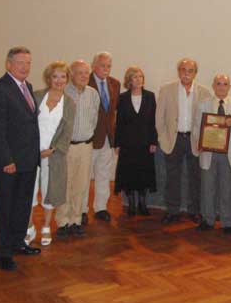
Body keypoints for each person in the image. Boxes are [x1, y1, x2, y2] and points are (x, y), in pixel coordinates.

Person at [0, 46, 41, 271]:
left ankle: (18, 243)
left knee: (22, 205)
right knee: (6, 207)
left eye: (28, 63)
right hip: (9, 163)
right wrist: (7, 160)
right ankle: (4, 253)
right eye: (20, 63)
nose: (25, 67)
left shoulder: (28, 87)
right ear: (8, 64)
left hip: (28, 160)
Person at [24, 61, 75, 246]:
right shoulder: (36, 96)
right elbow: (26, 125)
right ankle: (29, 226)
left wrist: (52, 150)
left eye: (63, 77)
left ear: (67, 79)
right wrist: (32, 149)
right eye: (55, 76)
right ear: (48, 78)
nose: (59, 80)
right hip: (31, 154)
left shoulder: (70, 103)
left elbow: (67, 133)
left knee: (49, 191)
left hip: (54, 156)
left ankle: (46, 226)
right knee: (29, 191)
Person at [156, 58, 212, 224]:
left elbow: (206, 121)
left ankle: (194, 211)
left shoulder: (204, 93)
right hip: (174, 139)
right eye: (183, 70)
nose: (186, 74)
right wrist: (163, 139)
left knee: (195, 177)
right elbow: (159, 119)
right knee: (172, 177)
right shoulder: (166, 90)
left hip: (194, 141)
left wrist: (203, 141)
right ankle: (172, 211)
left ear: (195, 73)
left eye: (190, 70)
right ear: (178, 71)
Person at [194, 74, 231, 234]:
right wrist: (200, 143)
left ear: (229, 86)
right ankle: (208, 220)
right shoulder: (203, 104)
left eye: (225, 84)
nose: (222, 87)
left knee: (227, 189)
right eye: (219, 84)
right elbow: (197, 127)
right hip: (208, 153)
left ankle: (228, 222)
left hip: (228, 153)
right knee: (207, 188)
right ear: (213, 85)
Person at [55, 60, 99, 238]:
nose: (84, 76)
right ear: (71, 75)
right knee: (65, 185)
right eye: (80, 73)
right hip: (67, 147)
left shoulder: (93, 94)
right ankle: (62, 222)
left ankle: (75, 220)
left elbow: (94, 119)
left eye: (86, 73)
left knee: (81, 186)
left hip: (86, 146)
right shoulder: (63, 93)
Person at [82, 52, 121, 223]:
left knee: (103, 174)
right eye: (102, 65)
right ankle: (82, 210)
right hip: (89, 137)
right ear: (93, 66)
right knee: (84, 176)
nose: (106, 69)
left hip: (108, 137)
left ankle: (101, 208)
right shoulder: (85, 81)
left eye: (108, 66)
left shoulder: (115, 84)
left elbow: (113, 112)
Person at [114, 66, 158, 216]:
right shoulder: (122, 98)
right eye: (135, 77)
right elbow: (119, 123)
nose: (138, 79)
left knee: (144, 173)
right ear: (129, 80)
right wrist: (117, 143)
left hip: (145, 143)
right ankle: (131, 203)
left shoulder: (150, 96)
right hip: (127, 144)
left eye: (140, 76)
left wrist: (154, 142)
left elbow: (153, 121)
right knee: (129, 173)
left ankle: (143, 203)